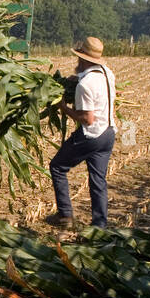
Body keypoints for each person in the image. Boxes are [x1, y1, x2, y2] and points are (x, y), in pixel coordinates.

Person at [49, 36, 117, 229]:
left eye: (79, 58)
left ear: (84, 59)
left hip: (92, 135)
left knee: (57, 166)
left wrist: (64, 108)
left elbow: (87, 119)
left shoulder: (85, 85)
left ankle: (65, 216)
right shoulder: (107, 73)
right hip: (109, 134)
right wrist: (74, 79)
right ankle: (100, 226)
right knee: (98, 181)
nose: (77, 61)